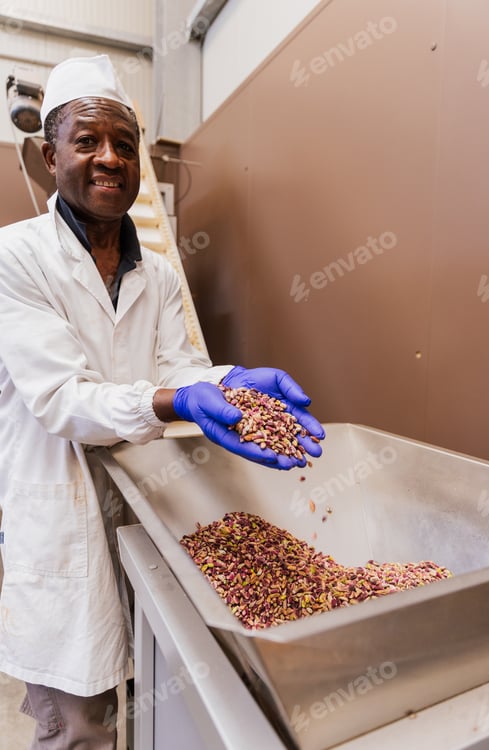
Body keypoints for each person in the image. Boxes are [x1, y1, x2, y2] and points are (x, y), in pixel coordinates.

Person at [0, 55, 324, 748]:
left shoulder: (161, 278)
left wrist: (232, 382)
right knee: (80, 729)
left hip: (147, 522)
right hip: (61, 527)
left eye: (123, 142)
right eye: (86, 142)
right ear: (49, 154)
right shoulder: (16, 257)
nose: (109, 158)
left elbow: (182, 368)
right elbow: (64, 401)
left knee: (151, 699)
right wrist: (178, 400)